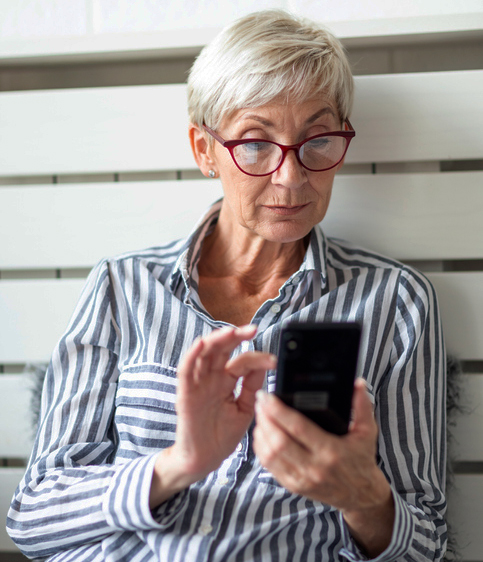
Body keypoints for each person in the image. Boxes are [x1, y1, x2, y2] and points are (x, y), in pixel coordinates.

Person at [7, 9, 447, 562]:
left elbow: (426, 542)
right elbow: (34, 516)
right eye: (256, 143)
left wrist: (364, 498)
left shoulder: (396, 303)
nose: (291, 177)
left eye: (318, 139)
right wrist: (178, 463)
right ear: (204, 151)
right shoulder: (121, 288)